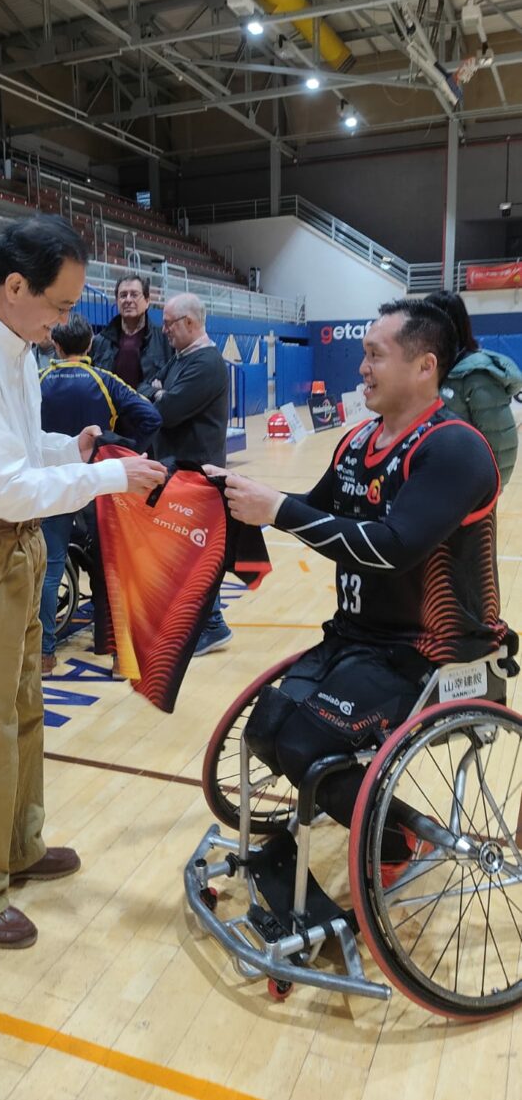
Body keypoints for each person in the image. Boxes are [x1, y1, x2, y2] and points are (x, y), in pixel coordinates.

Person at [0, 215, 167, 950]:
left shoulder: (14, 345)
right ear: (14, 286)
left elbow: (18, 453)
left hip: (6, 545)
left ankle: (17, 847)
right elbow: (4, 488)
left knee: (20, 709)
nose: (68, 320)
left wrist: (69, 447)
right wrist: (108, 475)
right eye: (59, 305)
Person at [216, 298, 507, 877]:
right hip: (359, 640)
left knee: (305, 746)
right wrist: (235, 493)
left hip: (439, 656)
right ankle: (368, 817)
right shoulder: (355, 442)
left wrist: (276, 511)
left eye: (375, 355)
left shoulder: (455, 449)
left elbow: (393, 548)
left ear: (425, 367)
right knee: (268, 731)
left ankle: (402, 842)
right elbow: (311, 510)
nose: (361, 368)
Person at [38, 313, 162, 674]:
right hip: (102, 480)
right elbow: (151, 417)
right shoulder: (105, 379)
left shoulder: (37, 379)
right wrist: (123, 449)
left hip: (55, 482)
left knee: (50, 569)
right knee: (111, 562)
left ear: (56, 346)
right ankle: (114, 649)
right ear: (90, 344)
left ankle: (45, 654)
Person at [153, 292, 232, 656]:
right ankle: (195, 622)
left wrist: (160, 395)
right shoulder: (181, 359)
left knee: (198, 554)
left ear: (189, 322)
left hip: (198, 474)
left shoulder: (208, 363)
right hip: (179, 472)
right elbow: (149, 390)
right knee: (183, 553)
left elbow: (168, 409)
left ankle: (213, 625)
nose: (164, 330)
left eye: (169, 323)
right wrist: (159, 393)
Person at [425, 290, 522, 487]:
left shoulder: (477, 375)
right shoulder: (432, 368)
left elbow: (501, 445)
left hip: (469, 494)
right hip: (434, 483)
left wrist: (483, 495)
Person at [91, 274, 170, 395]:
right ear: (117, 301)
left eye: (134, 295)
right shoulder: (99, 342)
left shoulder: (165, 340)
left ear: (147, 301)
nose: (128, 300)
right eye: (123, 295)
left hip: (148, 410)